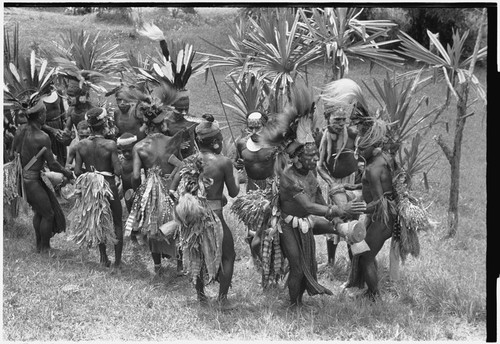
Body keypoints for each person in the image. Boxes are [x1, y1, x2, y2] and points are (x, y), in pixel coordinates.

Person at [171, 114, 240, 309]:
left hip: (192, 217)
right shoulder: (223, 162)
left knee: (197, 255)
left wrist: (185, 205)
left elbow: (172, 189)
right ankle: (222, 299)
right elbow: (234, 192)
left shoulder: (189, 160)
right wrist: (234, 172)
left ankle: (201, 297)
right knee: (229, 255)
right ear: (217, 142)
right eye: (219, 139)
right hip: (214, 215)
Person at [125, 107, 185, 277]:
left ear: (146, 124)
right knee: (178, 220)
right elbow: (180, 166)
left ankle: (157, 266)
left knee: (152, 223)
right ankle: (180, 265)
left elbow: (136, 175)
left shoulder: (139, 146)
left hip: (152, 190)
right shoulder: (172, 141)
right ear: (162, 123)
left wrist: (138, 191)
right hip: (172, 185)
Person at [9, 100, 74, 253]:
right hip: (31, 180)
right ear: (39, 117)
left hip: (20, 178)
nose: (46, 115)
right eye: (44, 112)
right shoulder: (42, 136)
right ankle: (45, 248)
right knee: (48, 214)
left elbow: (12, 153)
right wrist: (67, 173)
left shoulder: (20, 130)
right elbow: (53, 164)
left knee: (40, 211)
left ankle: (40, 245)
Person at [71, 107, 124, 271]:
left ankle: (103, 257)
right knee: (116, 222)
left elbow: (77, 171)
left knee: (98, 219)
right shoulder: (110, 145)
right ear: (104, 124)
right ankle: (117, 262)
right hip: (108, 186)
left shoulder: (81, 145)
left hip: (92, 187)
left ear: (90, 126)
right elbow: (118, 171)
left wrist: (91, 175)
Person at [233, 111, 278, 266]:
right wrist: (238, 165)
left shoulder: (273, 144)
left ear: (265, 127)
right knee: (252, 222)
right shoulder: (241, 143)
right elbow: (237, 162)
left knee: (271, 221)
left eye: (257, 128)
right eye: (250, 128)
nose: (253, 132)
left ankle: (272, 255)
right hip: (251, 186)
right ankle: (254, 258)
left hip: (270, 185)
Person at [116, 133, 141, 244]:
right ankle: (133, 235)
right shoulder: (121, 160)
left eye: (129, 150)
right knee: (131, 211)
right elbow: (117, 173)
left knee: (141, 212)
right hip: (127, 191)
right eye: (123, 151)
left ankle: (142, 233)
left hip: (139, 190)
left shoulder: (139, 159)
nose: (126, 153)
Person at [41, 86, 69, 165]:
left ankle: (63, 171)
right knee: (51, 154)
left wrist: (66, 127)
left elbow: (63, 112)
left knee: (62, 152)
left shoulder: (58, 92)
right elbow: (37, 122)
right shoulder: (37, 98)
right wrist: (52, 130)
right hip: (47, 129)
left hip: (59, 126)